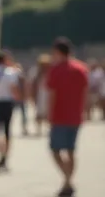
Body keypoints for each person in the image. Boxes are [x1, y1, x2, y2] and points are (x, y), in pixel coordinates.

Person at [47, 37, 88, 197]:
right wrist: (85, 111)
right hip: (75, 115)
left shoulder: (56, 70)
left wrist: (49, 115)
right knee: (70, 150)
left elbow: (52, 94)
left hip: (59, 115)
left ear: (58, 52)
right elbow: (85, 92)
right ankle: (68, 182)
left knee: (55, 150)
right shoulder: (81, 68)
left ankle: (67, 181)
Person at [29, 54, 50, 136]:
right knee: (39, 113)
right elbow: (32, 85)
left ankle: (48, 128)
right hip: (40, 94)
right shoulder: (36, 72)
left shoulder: (51, 72)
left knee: (48, 112)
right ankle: (39, 128)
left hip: (48, 93)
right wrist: (32, 96)